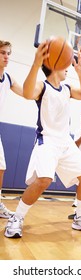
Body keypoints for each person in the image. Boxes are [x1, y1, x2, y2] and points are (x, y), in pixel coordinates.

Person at [4, 41, 81, 238]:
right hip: (47, 140)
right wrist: (36, 63)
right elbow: (28, 93)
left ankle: (80, 218)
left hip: (66, 142)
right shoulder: (42, 86)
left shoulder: (67, 89)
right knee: (44, 180)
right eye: (66, 66)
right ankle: (17, 218)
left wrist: (80, 72)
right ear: (57, 65)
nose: (68, 70)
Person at [0, 40, 23, 218]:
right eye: (3, 53)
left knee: (1, 167)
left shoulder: (7, 78)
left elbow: (27, 93)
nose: (6, 56)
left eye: (8, 53)